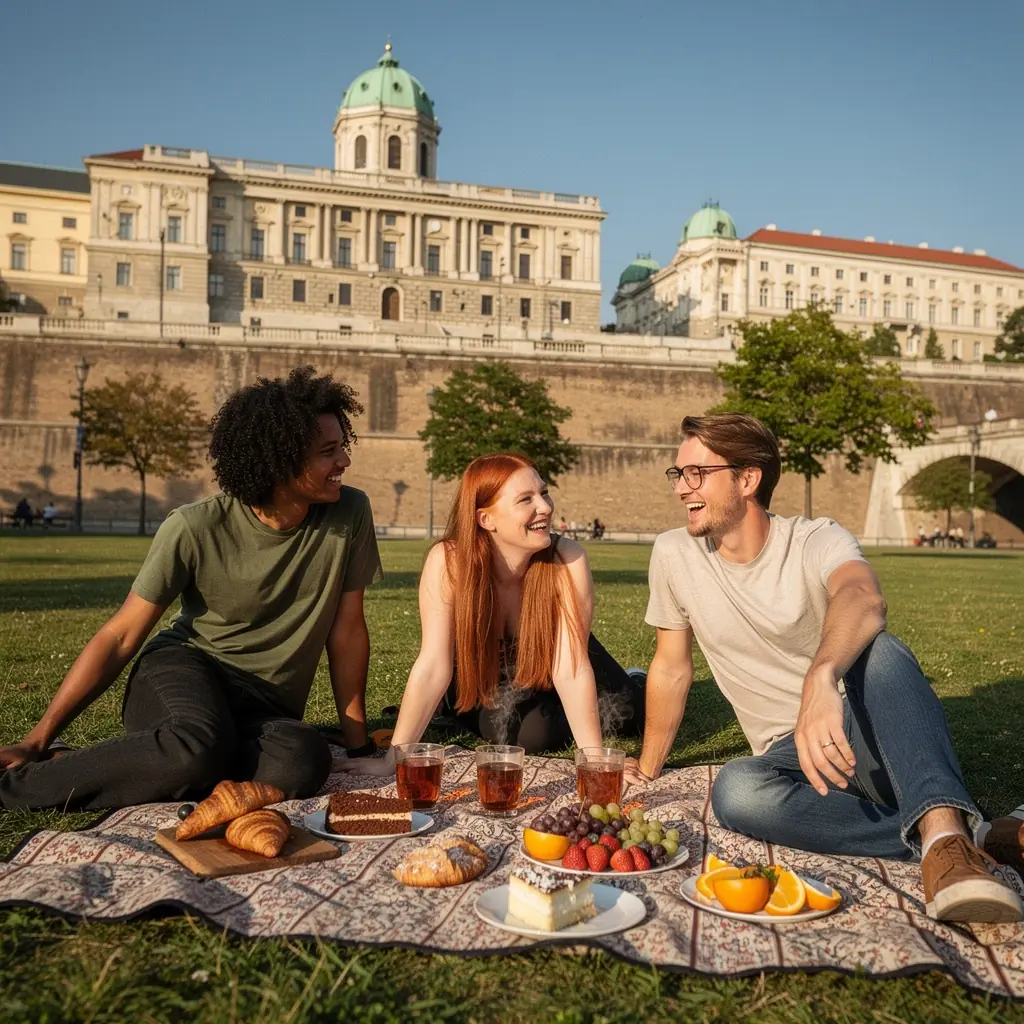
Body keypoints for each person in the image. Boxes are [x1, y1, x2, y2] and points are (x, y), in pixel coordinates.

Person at [628, 412, 1024, 923]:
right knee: (736, 791)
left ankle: (947, 844)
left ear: (748, 479)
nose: (682, 487)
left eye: (697, 474)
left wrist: (822, 678)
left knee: (880, 652)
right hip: (790, 761)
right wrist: (647, 767)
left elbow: (862, 595)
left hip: (863, 734)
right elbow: (670, 667)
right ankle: (968, 836)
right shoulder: (673, 553)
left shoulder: (816, 538)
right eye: (678, 474)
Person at [0, 366, 383, 811]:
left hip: (263, 710)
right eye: (328, 452)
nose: (344, 463)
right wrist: (36, 737)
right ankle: (19, 784)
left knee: (301, 762)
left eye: (343, 447)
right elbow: (121, 636)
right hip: (183, 673)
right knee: (194, 748)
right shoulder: (194, 526)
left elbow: (348, 631)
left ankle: (145, 762)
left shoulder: (351, 511)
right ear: (280, 461)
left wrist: (357, 747)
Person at [337, 453, 644, 774]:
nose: (546, 507)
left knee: (625, 713)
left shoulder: (567, 558)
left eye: (544, 492)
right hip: (489, 668)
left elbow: (570, 665)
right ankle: (455, 706)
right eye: (526, 499)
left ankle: (633, 679)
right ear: (486, 519)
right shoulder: (450, 561)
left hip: (559, 648)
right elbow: (432, 665)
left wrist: (593, 760)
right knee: (531, 736)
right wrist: (391, 762)